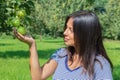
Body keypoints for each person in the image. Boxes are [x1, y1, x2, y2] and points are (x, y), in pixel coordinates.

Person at [14, 10, 113, 80]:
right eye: (66, 27)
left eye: (71, 30)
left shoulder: (100, 65)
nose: (65, 32)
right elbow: (37, 77)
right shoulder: (61, 54)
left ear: (85, 34)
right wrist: (32, 45)